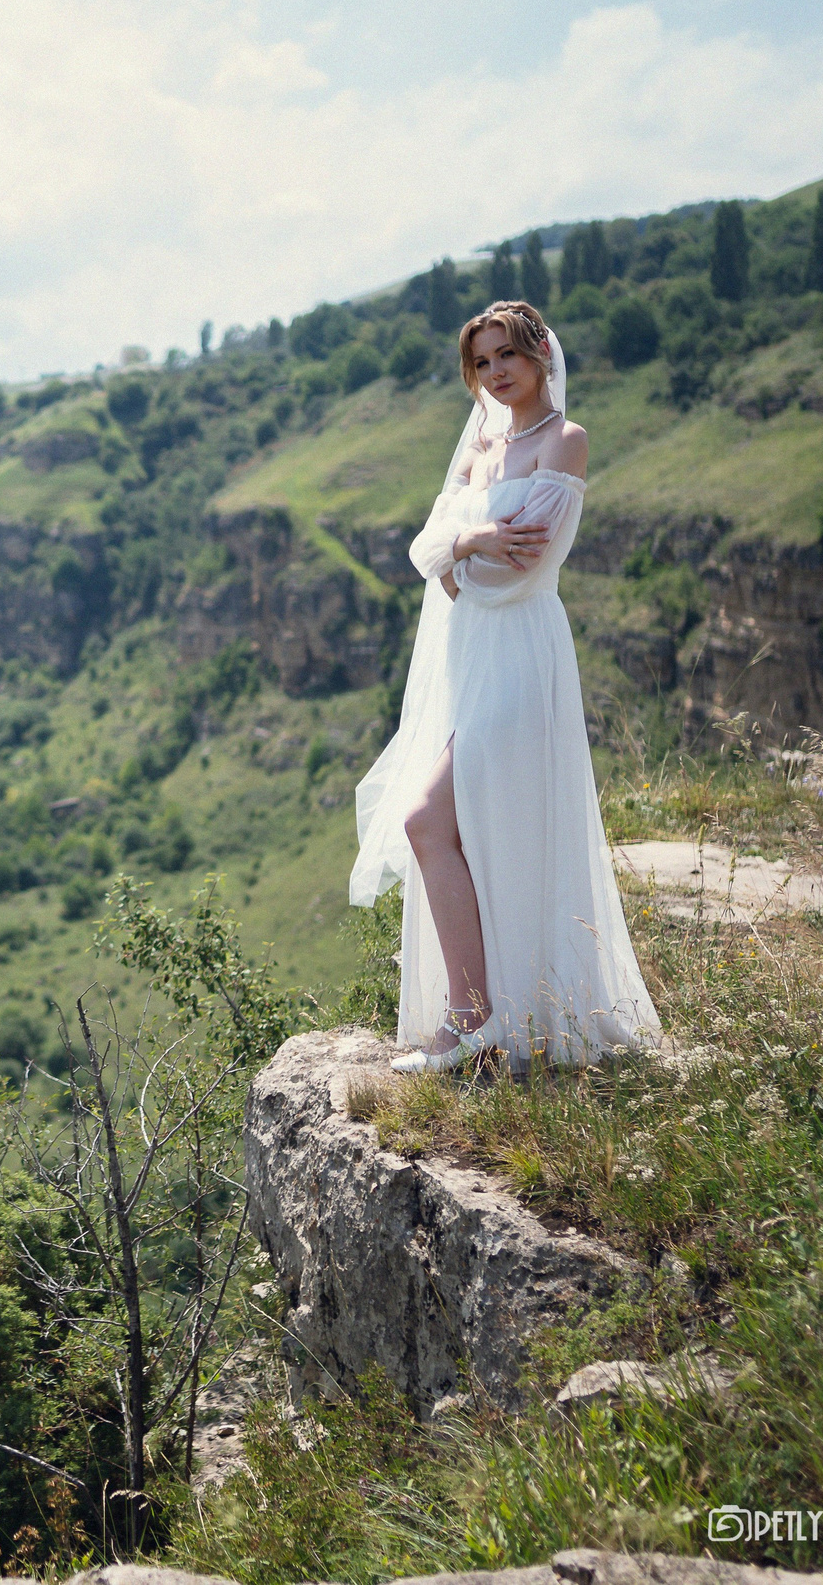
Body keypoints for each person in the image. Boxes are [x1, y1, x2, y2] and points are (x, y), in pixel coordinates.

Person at [348, 300, 658, 1075]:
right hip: (471, 659)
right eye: (482, 361)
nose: (495, 372)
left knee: (428, 819)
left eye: (508, 354)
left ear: (542, 356)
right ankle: (488, 1019)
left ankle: (476, 1020)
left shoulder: (566, 442)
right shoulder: (480, 444)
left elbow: (521, 572)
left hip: (521, 656)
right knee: (468, 829)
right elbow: (427, 550)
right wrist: (469, 541)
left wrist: (463, 564)